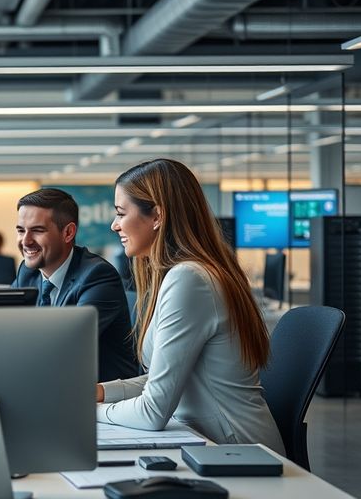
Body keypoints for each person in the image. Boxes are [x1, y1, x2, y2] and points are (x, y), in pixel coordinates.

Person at [97, 158, 284, 454]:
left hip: (238, 452)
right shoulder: (188, 273)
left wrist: (85, 412)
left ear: (157, 215)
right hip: (210, 442)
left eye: (121, 213)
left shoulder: (189, 279)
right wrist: (103, 393)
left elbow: (152, 411)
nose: (114, 224)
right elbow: (166, 377)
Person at [10, 188, 140, 382]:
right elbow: (6, 327)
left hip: (98, 399)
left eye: (37, 230)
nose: (26, 241)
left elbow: (64, 345)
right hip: (51, 384)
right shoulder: (27, 273)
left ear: (68, 232)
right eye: (21, 230)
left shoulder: (97, 276)